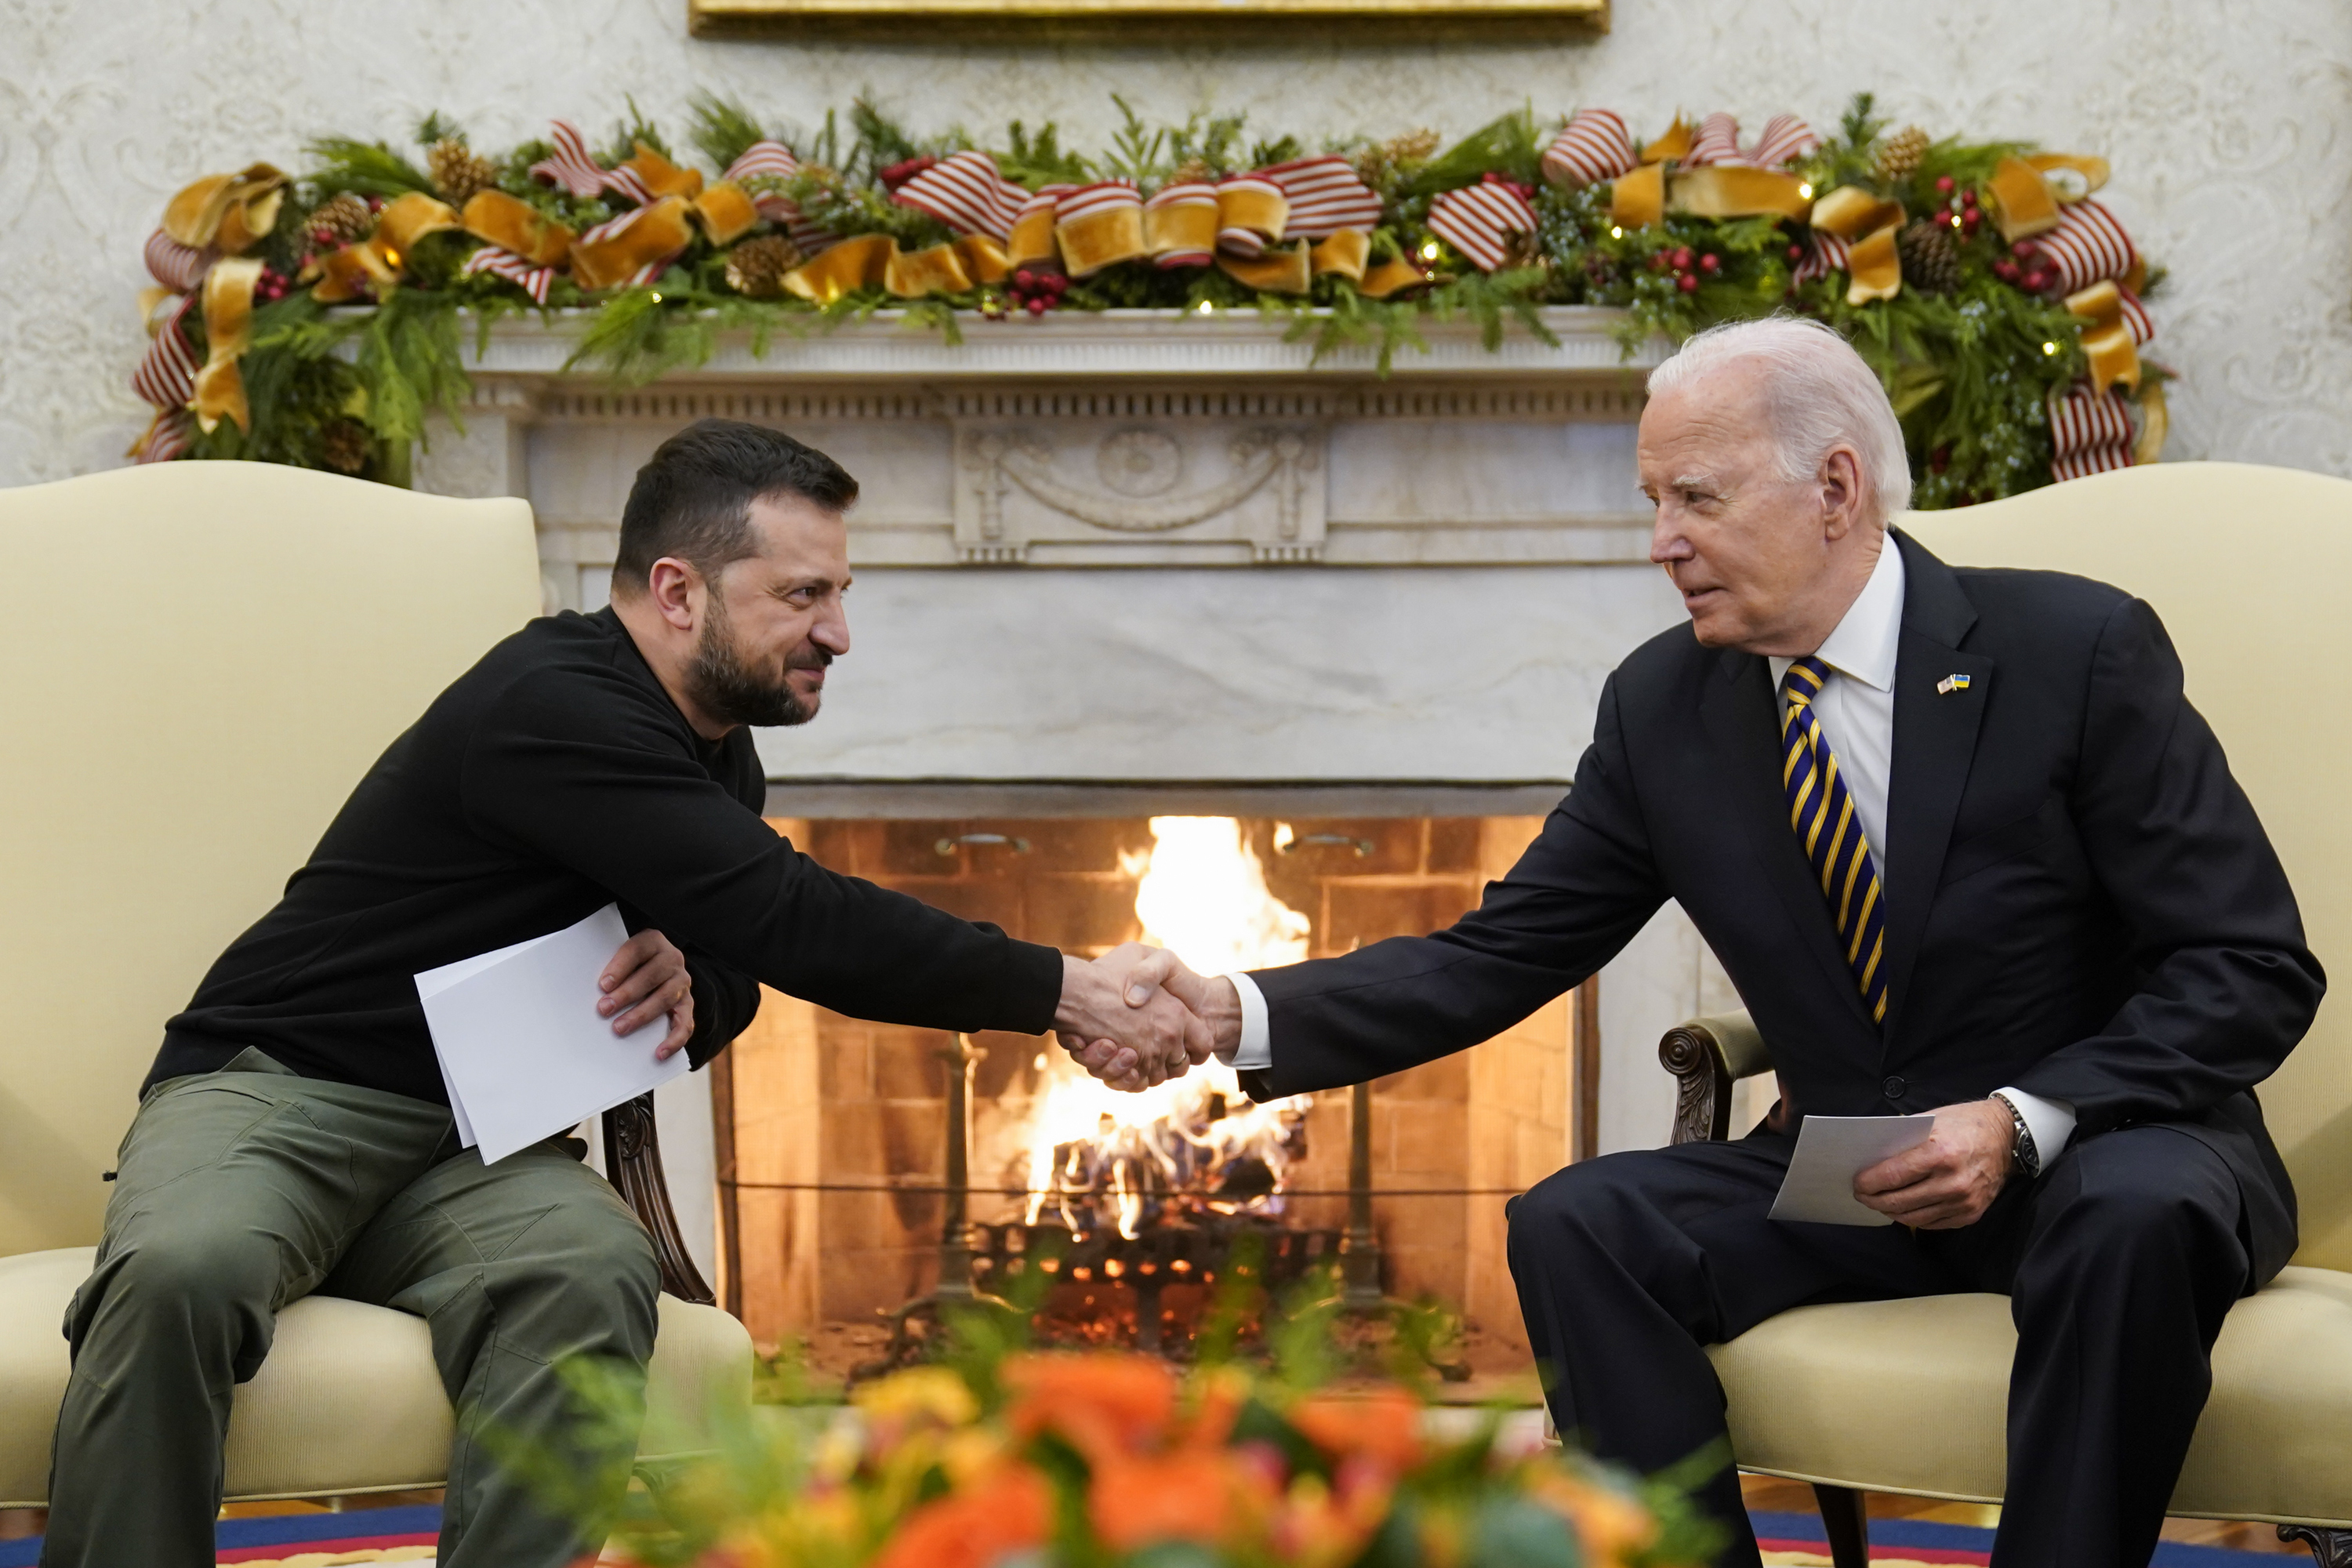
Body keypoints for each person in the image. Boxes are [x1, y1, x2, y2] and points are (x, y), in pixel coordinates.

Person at [1085, 318, 2324, 1567]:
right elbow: (1500, 951)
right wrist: (1223, 1012)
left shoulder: (2075, 651)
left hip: (2103, 1152)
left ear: (1834, 489)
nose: (1662, 539)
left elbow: (2249, 966)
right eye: (1652, 500)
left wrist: (2016, 1118)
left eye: (1697, 497)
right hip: (1866, 1179)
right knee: (1577, 1224)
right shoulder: (1664, 705)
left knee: (2134, 1214)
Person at [42, 418, 1207, 1568]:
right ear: (679, 590)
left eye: (841, 594)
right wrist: (1066, 989)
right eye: (803, 596)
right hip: (279, 1097)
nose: (839, 632)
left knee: (590, 1269)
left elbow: (738, 956)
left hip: (468, 1148)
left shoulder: (711, 743)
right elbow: (791, 919)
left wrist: (694, 982)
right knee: (182, 1272)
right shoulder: (555, 704)